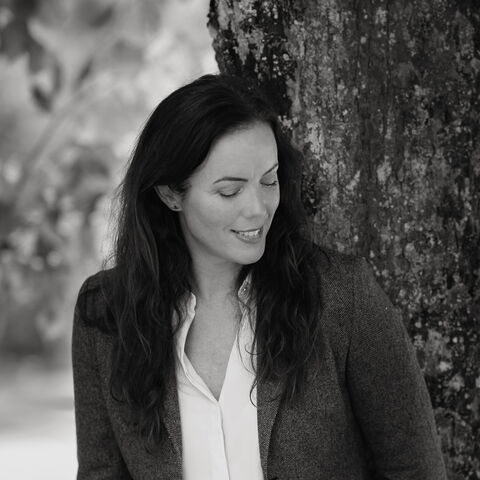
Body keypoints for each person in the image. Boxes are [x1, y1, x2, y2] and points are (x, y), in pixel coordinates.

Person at [72, 73, 447, 480]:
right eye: (230, 191)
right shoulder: (106, 314)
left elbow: (415, 469)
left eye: (269, 180)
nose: (258, 208)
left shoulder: (342, 297)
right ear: (170, 194)